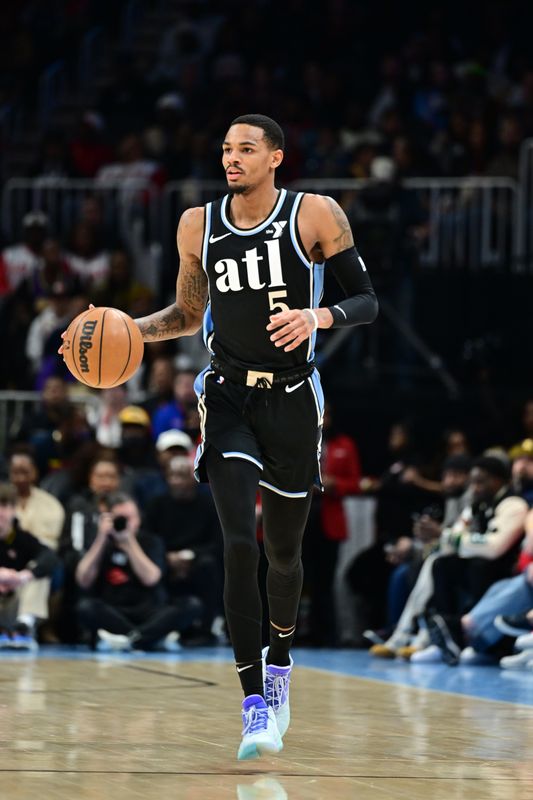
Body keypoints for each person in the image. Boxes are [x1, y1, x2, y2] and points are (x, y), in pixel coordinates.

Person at [61, 114, 378, 758]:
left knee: (283, 555)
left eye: (246, 150)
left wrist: (318, 315)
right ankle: (254, 701)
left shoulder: (314, 215)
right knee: (239, 542)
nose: (231, 159)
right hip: (228, 394)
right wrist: (120, 331)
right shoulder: (197, 225)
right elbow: (186, 314)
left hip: (293, 397)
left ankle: (281, 663)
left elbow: (367, 299)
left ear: (276, 158)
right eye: (226, 149)